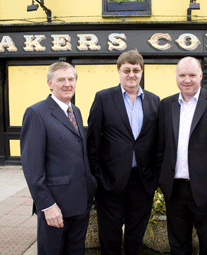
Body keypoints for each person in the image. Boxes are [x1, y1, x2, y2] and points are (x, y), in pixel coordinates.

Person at [86, 49, 160, 255]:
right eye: (126, 70)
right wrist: (98, 177)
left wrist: (154, 178)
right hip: (110, 182)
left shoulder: (154, 101)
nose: (131, 74)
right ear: (119, 71)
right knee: (109, 237)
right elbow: (92, 142)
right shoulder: (103, 98)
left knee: (135, 237)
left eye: (136, 70)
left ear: (142, 72)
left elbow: (157, 143)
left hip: (142, 182)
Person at [157, 56, 207, 254]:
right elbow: (160, 148)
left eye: (192, 75)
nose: (187, 80)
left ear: (201, 75)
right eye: (182, 75)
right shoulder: (166, 105)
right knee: (178, 246)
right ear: (176, 77)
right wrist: (163, 182)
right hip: (175, 192)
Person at [20, 61, 97, 255]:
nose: (67, 84)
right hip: (55, 207)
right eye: (61, 79)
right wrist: (47, 205)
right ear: (49, 83)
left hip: (80, 203)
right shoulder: (36, 113)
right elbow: (32, 168)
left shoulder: (75, 111)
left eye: (71, 79)